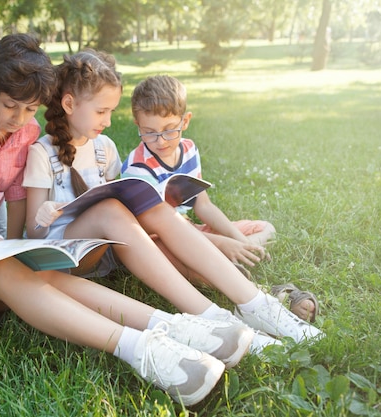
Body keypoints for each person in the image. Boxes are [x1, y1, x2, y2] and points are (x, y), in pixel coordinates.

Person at [0, 68, 258, 407]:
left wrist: (11, 249)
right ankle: (143, 351)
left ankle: (174, 327)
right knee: (3, 274)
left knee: (27, 268)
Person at [23, 50, 324, 350]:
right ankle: (214, 316)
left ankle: (255, 304)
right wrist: (45, 212)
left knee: (151, 206)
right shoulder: (42, 152)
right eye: (102, 111)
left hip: (105, 250)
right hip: (63, 256)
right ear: (69, 104)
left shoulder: (105, 147)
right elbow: (33, 235)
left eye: (112, 112)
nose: (109, 121)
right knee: (111, 210)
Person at [121, 75, 315, 322]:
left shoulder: (189, 150)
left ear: (185, 120)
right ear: (138, 125)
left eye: (170, 130)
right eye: (149, 133)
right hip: (159, 241)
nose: (160, 141)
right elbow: (149, 231)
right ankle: (273, 295)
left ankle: (240, 255)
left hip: (193, 230)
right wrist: (221, 245)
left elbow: (203, 205)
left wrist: (239, 241)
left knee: (266, 229)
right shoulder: (138, 168)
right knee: (192, 266)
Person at [0, 33, 56, 238]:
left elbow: (16, 194)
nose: (19, 118)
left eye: (30, 109)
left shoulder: (29, 132)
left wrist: (12, 246)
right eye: (9, 105)